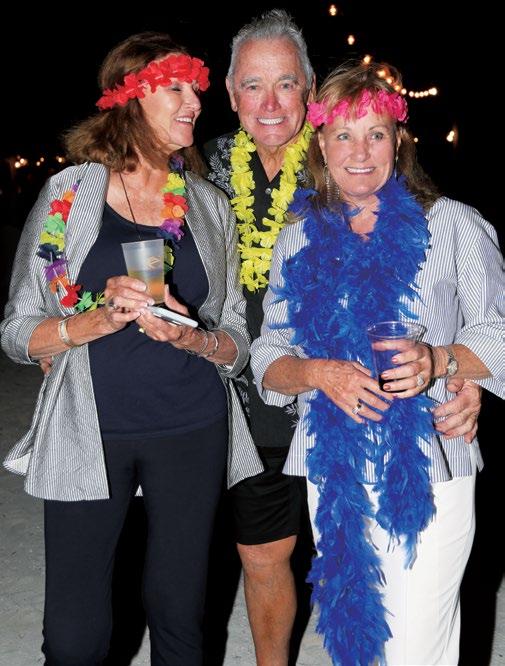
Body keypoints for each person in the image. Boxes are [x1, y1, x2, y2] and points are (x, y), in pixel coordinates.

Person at [205, 10, 483, 665]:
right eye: (344, 136)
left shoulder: (452, 225)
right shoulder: (295, 235)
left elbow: (495, 328)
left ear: (397, 142)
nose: (360, 152)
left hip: (429, 456)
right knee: (353, 637)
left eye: (375, 134)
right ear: (321, 147)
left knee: (415, 645)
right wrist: (316, 373)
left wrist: (447, 362)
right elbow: (269, 354)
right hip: (330, 465)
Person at [0, 32, 262, 665]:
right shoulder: (69, 194)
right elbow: (17, 330)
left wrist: (192, 336)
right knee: (74, 634)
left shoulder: (209, 206)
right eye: (175, 88)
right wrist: (94, 320)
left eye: (196, 89)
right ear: (129, 97)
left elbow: (237, 343)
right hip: (92, 427)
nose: (194, 102)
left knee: (179, 611)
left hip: (192, 425)